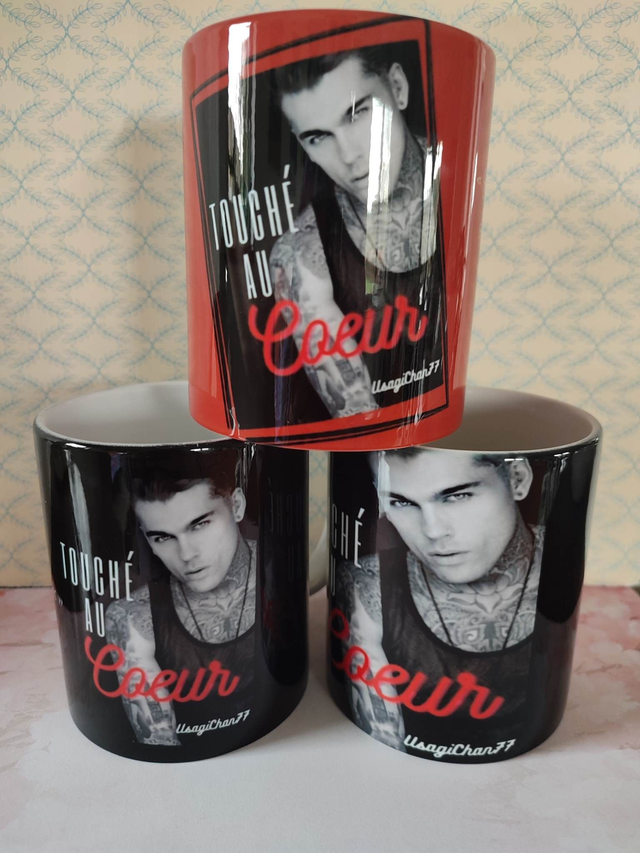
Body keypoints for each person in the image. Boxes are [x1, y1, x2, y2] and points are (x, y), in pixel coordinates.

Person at [332, 447, 544, 755]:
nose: (433, 531)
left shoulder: (564, 561)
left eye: (457, 496)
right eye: (401, 502)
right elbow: (382, 735)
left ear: (517, 478)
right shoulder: (367, 585)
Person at [270, 46, 443, 418]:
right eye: (318, 137)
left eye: (357, 113)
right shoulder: (301, 254)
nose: (348, 155)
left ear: (398, 87)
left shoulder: (468, 187)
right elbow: (360, 416)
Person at [105, 459, 256, 746]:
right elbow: (159, 741)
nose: (186, 555)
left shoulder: (281, 572)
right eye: (163, 537)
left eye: (200, 525)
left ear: (236, 506)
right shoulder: (134, 617)